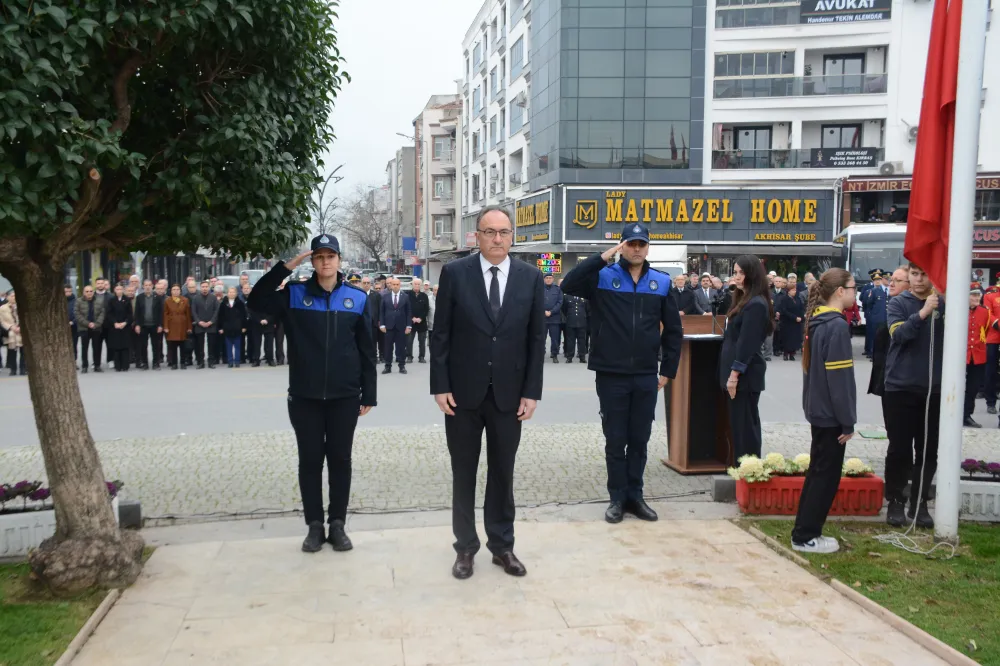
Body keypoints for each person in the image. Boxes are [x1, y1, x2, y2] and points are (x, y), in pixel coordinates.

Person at [430, 205, 545, 580]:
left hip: (510, 396)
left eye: (504, 232)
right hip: (462, 395)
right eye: (489, 232)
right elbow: (441, 334)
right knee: (463, 473)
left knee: (502, 473)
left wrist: (532, 391)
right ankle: (465, 548)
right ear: (476, 236)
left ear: (513, 237)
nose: (497, 239)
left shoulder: (530, 277)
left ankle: (502, 546)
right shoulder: (455, 273)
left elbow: (536, 339)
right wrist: (440, 385)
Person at [249, 233, 376, 553]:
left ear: (339, 260)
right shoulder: (294, 294)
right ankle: (315, 526)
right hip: (305, 396)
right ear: (312, 261)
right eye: (319, 256)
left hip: (345, 396)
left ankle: (338, 524)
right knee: (310, 461)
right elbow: (256, 301)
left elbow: (366, 349)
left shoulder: (357, 298)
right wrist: (286, 267)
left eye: (330, 256)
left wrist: (369, 394)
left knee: (340, 460)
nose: (325, 262)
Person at [561, 223, 683, 524]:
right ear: (622, 246)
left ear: (648, 247)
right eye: (631, 244)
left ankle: (635, 496)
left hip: (645, 373)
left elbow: (673, 331)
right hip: (611, 372)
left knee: (639, 439)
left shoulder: (661, 282)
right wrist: (602, 257)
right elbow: (569, 284)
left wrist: (668, 369)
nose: (637, 249)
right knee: (615, 439)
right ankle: (616, 498)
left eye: (642, 244)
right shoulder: (603, 277)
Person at [790, 268, 857, 554]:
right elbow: (839, 380)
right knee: (825, 479)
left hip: (819, 410)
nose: (855, 293)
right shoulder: (836, 325)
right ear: (840, 291)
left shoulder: (818, 320)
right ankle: (806, 536)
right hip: (831, 415)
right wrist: (847, 421)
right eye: (853, 288)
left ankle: (804, 532)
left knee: (818, 474)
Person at [883, 262, 944, 529]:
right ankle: (896, 500)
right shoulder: (898, 302)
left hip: (934, 389)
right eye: (915, 274)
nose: (919, 280)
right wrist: (923, 313)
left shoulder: (943, 303)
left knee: (928, 450)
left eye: (924, 274)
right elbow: (899, 335)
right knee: (899, 449)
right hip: (900, 387)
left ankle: (920, 503)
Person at [720, 255, 773, 461]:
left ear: (752, 274)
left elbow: (747, 343)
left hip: (745, 375)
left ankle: (748, 468)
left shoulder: (756, 304)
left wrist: (734, 375)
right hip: (737, 372)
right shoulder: (743, 300)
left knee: (745, 426)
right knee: (738, 425)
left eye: (741, 272)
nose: (737, 277)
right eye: (735, 272)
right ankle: (741, 466)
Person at [867, 267, 909, 398]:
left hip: (901, 381)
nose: (891, 284)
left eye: (898, 281)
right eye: (891, 280)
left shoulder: (911, 311)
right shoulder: (892, 302)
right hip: (886, 378)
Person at [965, 283, 989, 429]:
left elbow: (985, 331)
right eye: (973, 295)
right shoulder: (958, 309)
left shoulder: (985, 312)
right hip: (962, 355)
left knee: (973, 387)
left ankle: (967, 415)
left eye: (978, 295)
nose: (977, 298)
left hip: (978, 355)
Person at [379, 278, 411, 375]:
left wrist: (409, 326)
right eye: (394, 284)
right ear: (390, 285)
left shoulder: (405, 296)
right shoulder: (385, 296)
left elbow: (408, 312)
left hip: (401, 326)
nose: (395, 286)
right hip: (389, 326)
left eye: (397, 284)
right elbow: (382, 311)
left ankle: (402, 366)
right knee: (388, 348)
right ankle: (387, 367)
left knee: (401, 348)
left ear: (400, 285)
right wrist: (382, 324)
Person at [74, 285, 106, 373]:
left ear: (93, 292)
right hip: (84, 328)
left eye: (91, 291)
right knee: (84, 348)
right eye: (87, 291)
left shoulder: (99, 301)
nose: (89, 293)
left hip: (96, 328)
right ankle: (84, 366)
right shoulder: (79, 301)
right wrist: (88, 323)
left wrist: (96, 324)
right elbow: (77, 314)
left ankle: (97, 365)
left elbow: (102, 313)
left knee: (97, 347)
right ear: (83, 292)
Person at [190, 281, 220, 369]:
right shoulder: (196, 298)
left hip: (211, 324)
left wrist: (211, 321)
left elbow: (216, 310)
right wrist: (199, 321)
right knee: (200, 345)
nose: (204, 288)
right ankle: (201, 362)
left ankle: (211, 362)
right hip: (200, 324)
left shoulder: (213, 298)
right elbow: (193, 311)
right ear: (200, 288)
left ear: (209, 287)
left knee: (211, 344)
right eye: (203, 287)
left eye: (206, 286)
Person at [163, 284, 193, 370]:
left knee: (183, 345)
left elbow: (188, 315)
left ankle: (183, 363)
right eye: (174, 289)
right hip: (172, 325)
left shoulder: (185, 300)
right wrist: (166, 326)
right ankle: (174, 363)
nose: (176, 291)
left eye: (177, 289)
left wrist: (189, 327)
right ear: (171, 291)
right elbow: (165, 314)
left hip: (182, 324)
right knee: (173, 346)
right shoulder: (167, 301)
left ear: (180, 291)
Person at [982, 272, 1000, 414]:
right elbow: (988, 313)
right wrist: (997, 324)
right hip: (994, 337)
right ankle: (990, 402)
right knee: (991, 371)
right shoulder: (990, 296)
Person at [105, 284, 133, 372]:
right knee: (116, 346)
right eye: (117, 289)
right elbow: (109, 313)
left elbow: (130, 314)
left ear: (123, 290)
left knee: (125, 346)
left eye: (120, 289)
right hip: (114, 326)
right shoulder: (111, 300)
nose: (119, 291)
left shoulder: (127, 300)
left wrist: (125, 322)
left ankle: (125, 365)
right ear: (114, 290)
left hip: (125, 326)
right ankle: (118, 366)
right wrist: (114, 323)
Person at [861, 269, 888, 359]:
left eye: (879, 279)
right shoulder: (871, 290)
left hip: (885, 317)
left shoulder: (888, 290)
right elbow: (867, 303)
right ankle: (871, 351)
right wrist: (870, 314)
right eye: (876, 280)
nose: (878, 281)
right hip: (875, 317)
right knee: (872, 335)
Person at [218, 287, 247, 368]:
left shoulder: (240, 303)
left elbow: (244, 316)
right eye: (230, 292)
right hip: (227, 328)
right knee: (228, 346)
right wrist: (220, 328)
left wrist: (244, 326)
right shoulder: (223, 304)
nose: (231, 294)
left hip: (237, 328)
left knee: (238, 346)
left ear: (236, 293)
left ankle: (237, 361)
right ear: (227, 293)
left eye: (233, 292)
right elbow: (220, 317)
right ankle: (230, 361)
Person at [0, 290, 25, 376]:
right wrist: (11, 327)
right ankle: (13, 369)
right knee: (12, 352)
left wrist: (20, 327)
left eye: (15, 296)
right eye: (12, 296)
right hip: (10, 332)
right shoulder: (2, 308)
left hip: (21, 331)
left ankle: (23, 369)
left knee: (23, 351)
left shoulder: (22, 306)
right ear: (7, 297)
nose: (14, 298)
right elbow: (2, 321)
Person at [247, 291, 276, 367]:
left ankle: (270, 359)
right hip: (257, 324)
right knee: (256, 344)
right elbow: (251, 312)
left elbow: (274, 312)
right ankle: (256, 360)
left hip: (269, 324)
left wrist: (267, 320)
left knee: (269, 344)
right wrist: (259, 320)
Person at [778, 282, 804, 361]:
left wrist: (801, 317)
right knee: (787, 338)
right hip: (788, 322)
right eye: (792, 290)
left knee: (794, 338)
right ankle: (786, 354)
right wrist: (794, 317)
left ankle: (792, 354)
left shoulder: (797, 299)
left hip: (796, 322)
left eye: (795, 290)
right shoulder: (784, 299)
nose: (794, 292)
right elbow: (784, 311)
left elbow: (801, 308)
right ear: (788, 291)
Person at [407, 277, 430, 364]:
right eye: (415, 284)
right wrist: (412, 317)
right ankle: (409, 356)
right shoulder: (407, 295)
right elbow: (406, 308)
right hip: (411, 322)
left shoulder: (424, 296)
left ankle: (421, 357)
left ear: (421, 285)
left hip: (422, 322)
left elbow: (426, 309)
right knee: (409, 341)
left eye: (418, 284)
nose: (417, 285)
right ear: (412, 285)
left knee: (422, 341)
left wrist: (420, 318)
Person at [561, 292, 589, 363]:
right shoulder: (567, 297)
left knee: (582, 340)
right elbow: (564, 308)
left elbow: (587, 309)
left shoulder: (585, 296)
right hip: (571, 321)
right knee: (570, 341)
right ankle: (569, 357)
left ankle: (582, 357)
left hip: (582, 321)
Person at [542, 273, 563, 362]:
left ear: (553, 279)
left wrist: (551, 312)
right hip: (542, 318)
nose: (548, 279)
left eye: (550, 278)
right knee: (541, 338)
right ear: (544, 279)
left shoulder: (558, 289)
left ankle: (554, 354)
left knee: (555, 338)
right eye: (546, 278)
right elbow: (537, 301)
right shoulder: (539, 288)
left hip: (554, 318)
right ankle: (541, 353)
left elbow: (560, 302)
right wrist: (544, 311)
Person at [66, 285, 78, 364]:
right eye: (66, 291)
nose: (68, 293)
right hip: (63, 327)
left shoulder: (76, 301)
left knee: (74, 344)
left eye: (69, 291)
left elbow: (78, 314)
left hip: (74, 326)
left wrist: (73, 322)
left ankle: (74, 361)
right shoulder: (59, 301)